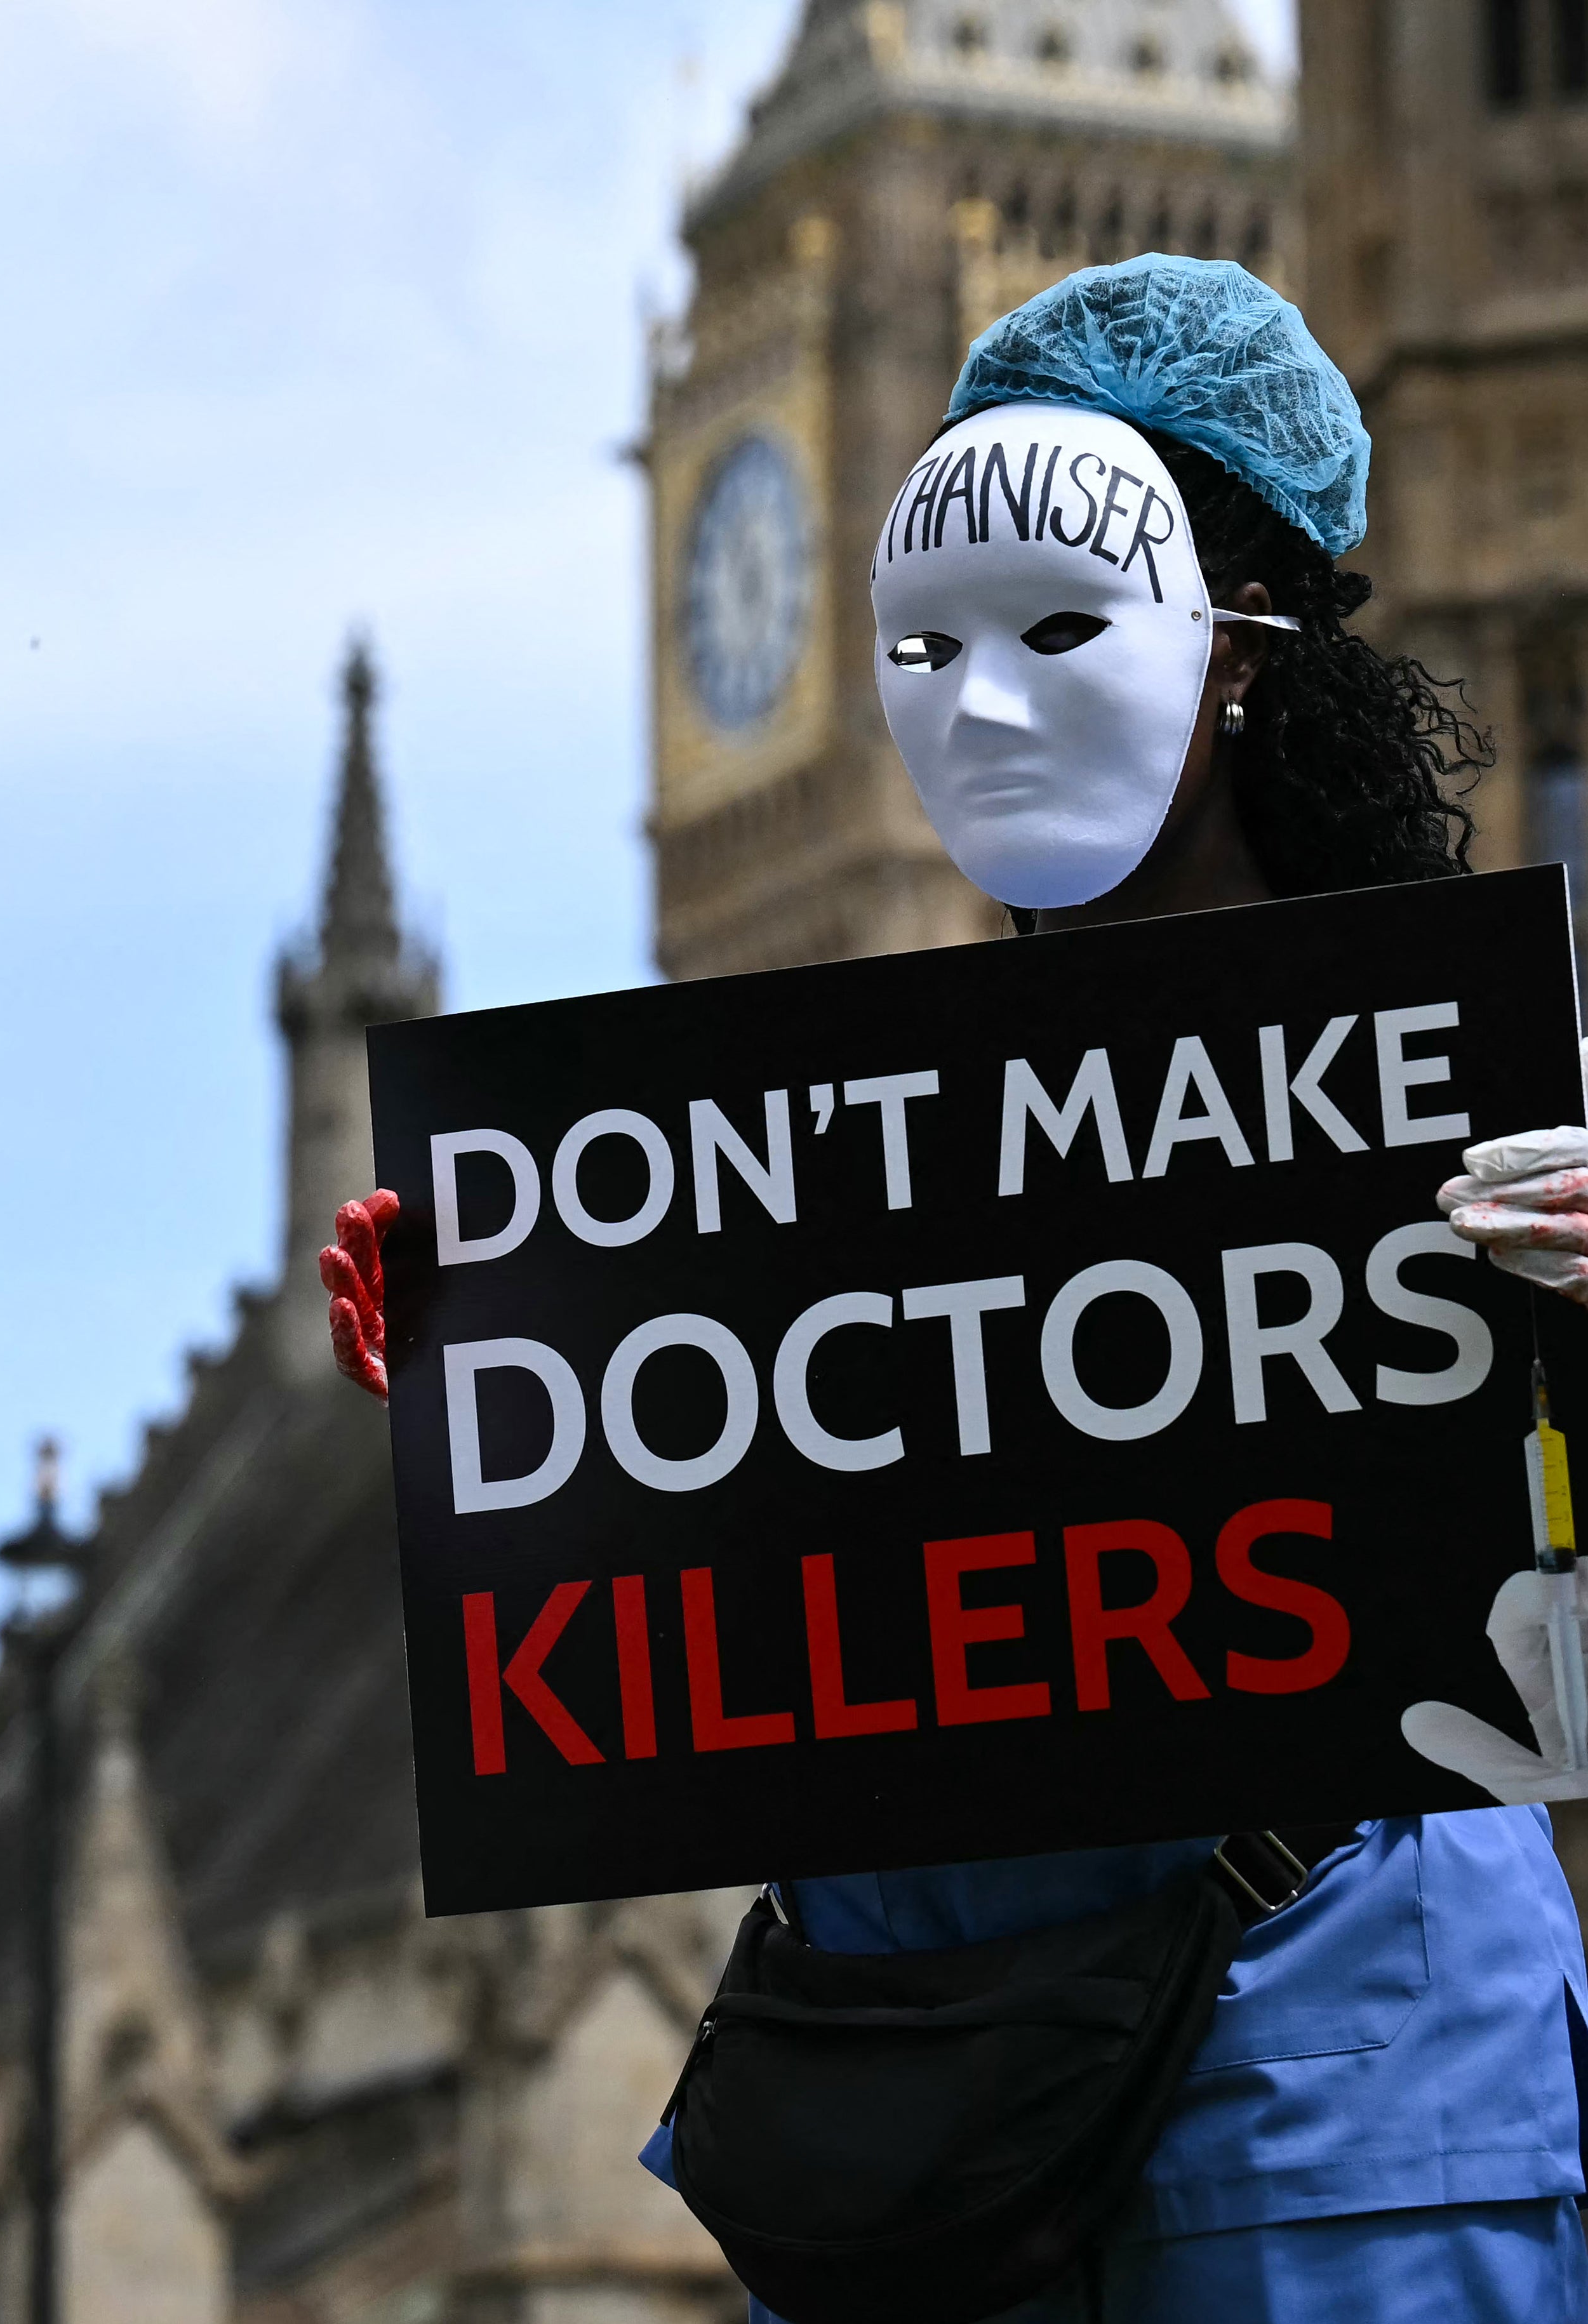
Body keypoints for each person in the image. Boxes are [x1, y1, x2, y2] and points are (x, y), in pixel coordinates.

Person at [321, 256, 1588, 2320]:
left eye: (1062, 627)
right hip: (922, 2119)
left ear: (1242, 648)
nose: (982, 706)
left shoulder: (1490, 1097)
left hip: (1351, 2105)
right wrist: (528, 1351)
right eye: (922, 643)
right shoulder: (809, 1168)